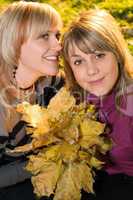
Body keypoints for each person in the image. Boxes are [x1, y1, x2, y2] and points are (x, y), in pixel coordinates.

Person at [62, 8, 133, 200]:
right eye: (79, 62)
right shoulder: (76, 98)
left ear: (117, 55)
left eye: (99, 55)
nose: (91, 70)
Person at [0, 1, 64, 200]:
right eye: (44, 36)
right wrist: (41, 164)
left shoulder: (50, 82)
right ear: (15, 43)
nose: (58, 45)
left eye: (57, 35)